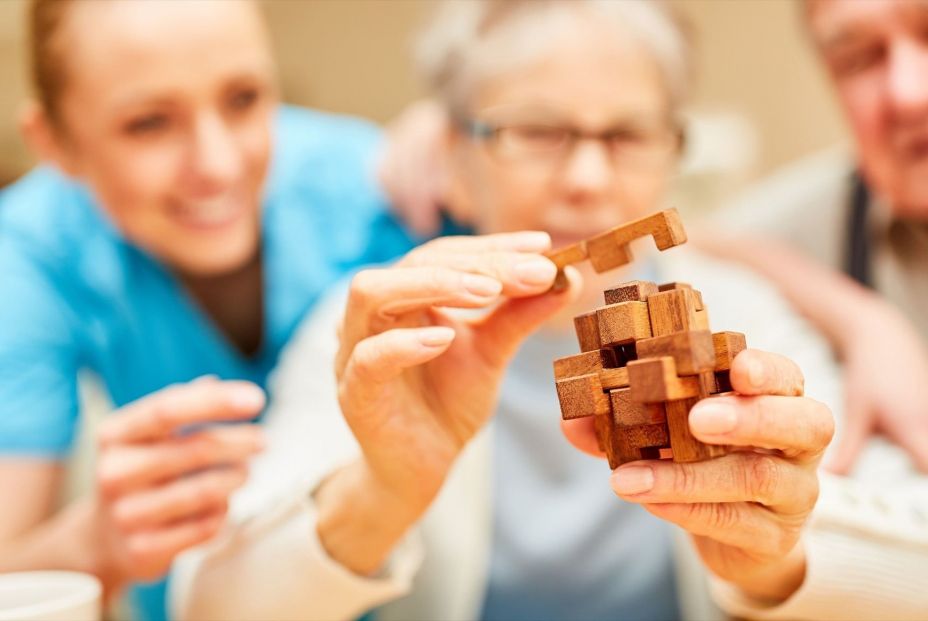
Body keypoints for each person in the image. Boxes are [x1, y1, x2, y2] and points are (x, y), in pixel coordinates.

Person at [169, 2, 928, 620]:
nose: (588, 179)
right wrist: (382, 491)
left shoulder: (738, 314)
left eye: (627, 134)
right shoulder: (385, 325)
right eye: (534, 132)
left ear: (671, 156)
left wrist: (778, 558)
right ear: (453, 161)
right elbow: (207, 605)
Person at [0, 1, 437, 620]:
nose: (217, 165)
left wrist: (477, 135)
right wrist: (92, 544)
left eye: (243, 99)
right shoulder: (29, 253)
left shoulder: (379, 185)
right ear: (54, 143)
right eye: (149, 123)